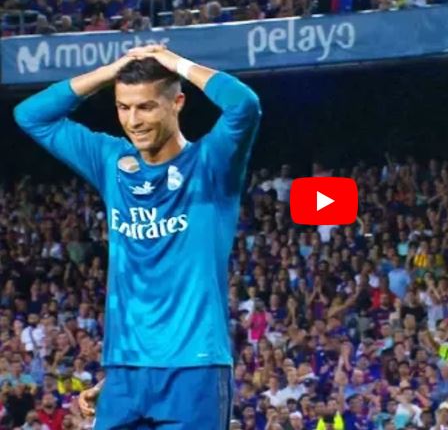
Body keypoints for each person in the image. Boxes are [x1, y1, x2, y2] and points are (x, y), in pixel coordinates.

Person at [13, 45, 262, 429]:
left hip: (194, 368)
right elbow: (30, 116)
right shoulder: (112, 162)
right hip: (124, 372)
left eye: (145, 107)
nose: (133, 120)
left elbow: (244, 105)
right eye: (123, 107)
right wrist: (110, 71)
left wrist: (176, 63)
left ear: (177, 103)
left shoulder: (210, 165)